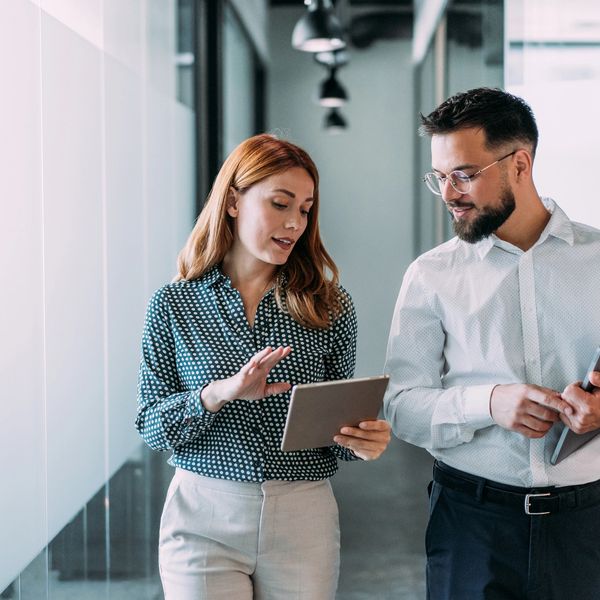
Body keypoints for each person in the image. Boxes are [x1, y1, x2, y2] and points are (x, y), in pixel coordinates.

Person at [135, 133, 391, 600]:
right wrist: (218, 393)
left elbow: (337, 436)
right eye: (280, 203)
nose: (295, 222)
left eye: (306, 209)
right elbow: (152, 427)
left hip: (302, 516)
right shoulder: (173, 304)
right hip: (202, 513)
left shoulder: (330, 307)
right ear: (233, 201)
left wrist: (363, 441)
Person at [383, 87, 600, 599]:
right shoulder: (430, 275)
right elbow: (400, 408)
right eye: (440, 178)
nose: (450, 193)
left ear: (519, 164)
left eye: (463, 174)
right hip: (472, 526)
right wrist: (488, 402)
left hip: (588, 525)